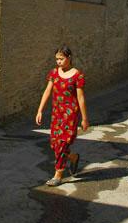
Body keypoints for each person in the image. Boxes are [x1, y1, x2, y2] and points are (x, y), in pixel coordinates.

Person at [35, 45, 89, 186]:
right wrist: (40, 110)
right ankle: (73, 157)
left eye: (61, 59)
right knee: (55, 144)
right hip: (57, 114)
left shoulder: (77, 76)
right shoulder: (54, 73)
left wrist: (84, 119)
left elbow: (81, 98)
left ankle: (58, 175)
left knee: (63, 144)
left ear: (69, 58)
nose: (58, 61)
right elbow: (47, 91)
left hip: (70, 115)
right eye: (57, 59)